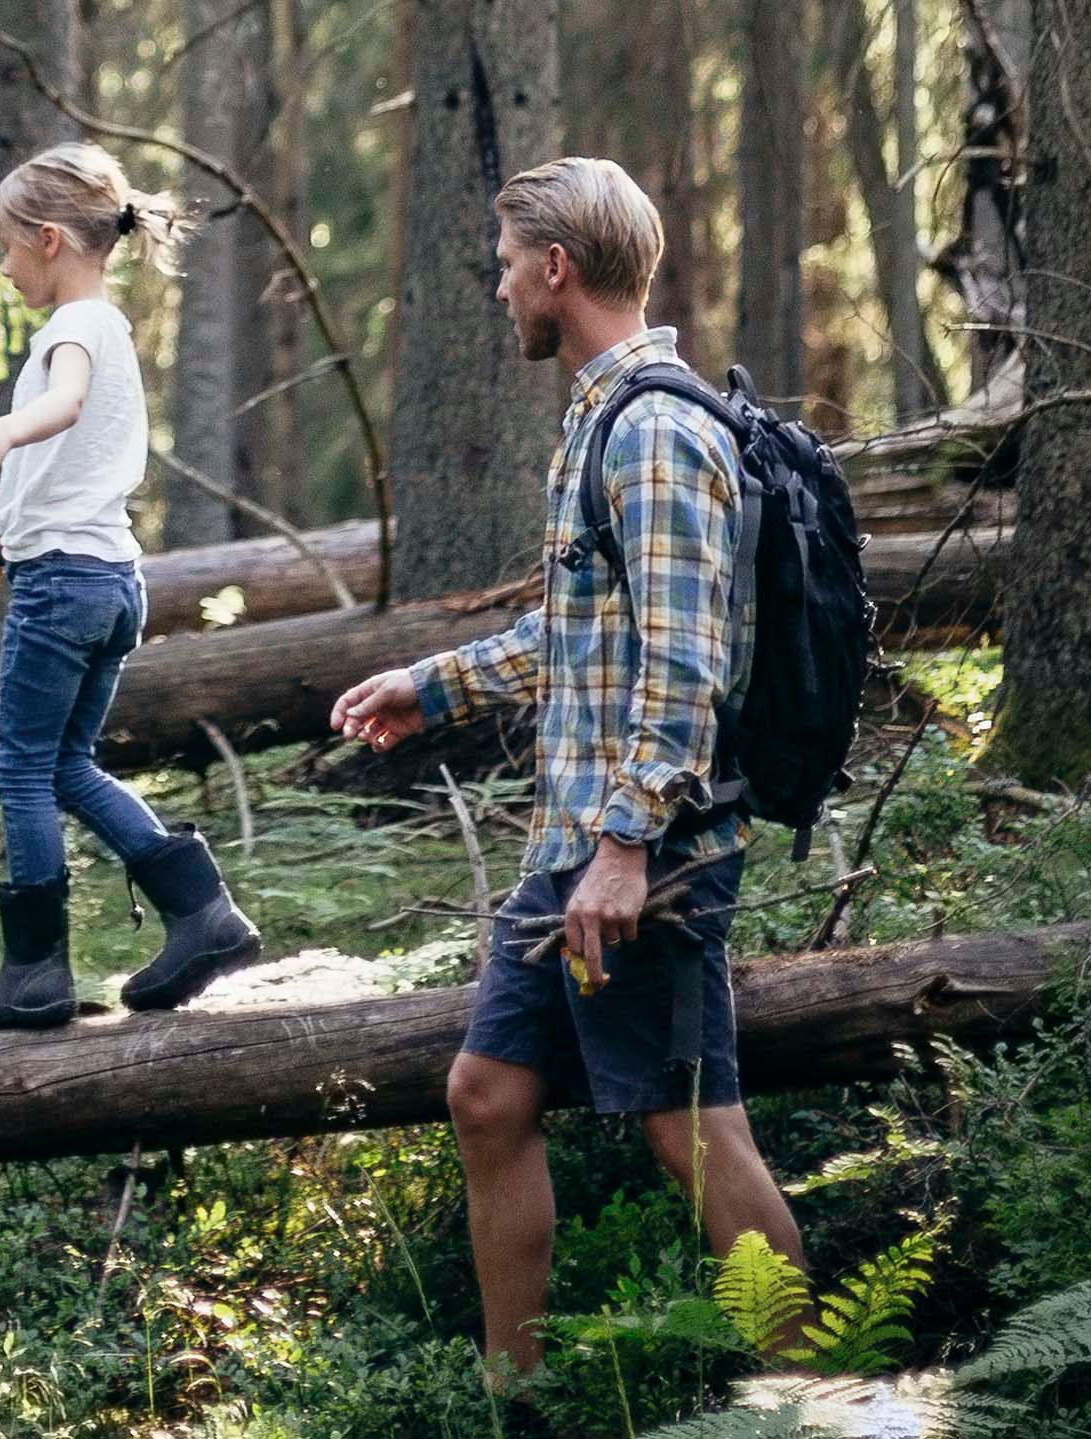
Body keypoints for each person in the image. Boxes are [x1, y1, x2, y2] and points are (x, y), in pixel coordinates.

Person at [328, 156, 806, 1379]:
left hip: (646, 857)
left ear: (556, 267)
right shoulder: (602, 419)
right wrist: (432, 685)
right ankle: (514, 1392)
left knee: (692, 1129)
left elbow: (688, 661)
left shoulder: (650, 427)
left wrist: (629, 844)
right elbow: (591, 632)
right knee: (487, 1094)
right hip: (573, 853)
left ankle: (817, 1385)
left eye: (504, 265)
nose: (499, 291)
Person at [0, 143, 262, 1033]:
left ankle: (35, 972)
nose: (2, 267)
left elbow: (62, 410)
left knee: (19, 766)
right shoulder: (104, 327)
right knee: (66, 764)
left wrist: (1, 429)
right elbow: (62, 472)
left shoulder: (74, 332)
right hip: (107, 578)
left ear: (48, 240)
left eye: (6, 248)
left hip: (66, 589)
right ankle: (205, 917)